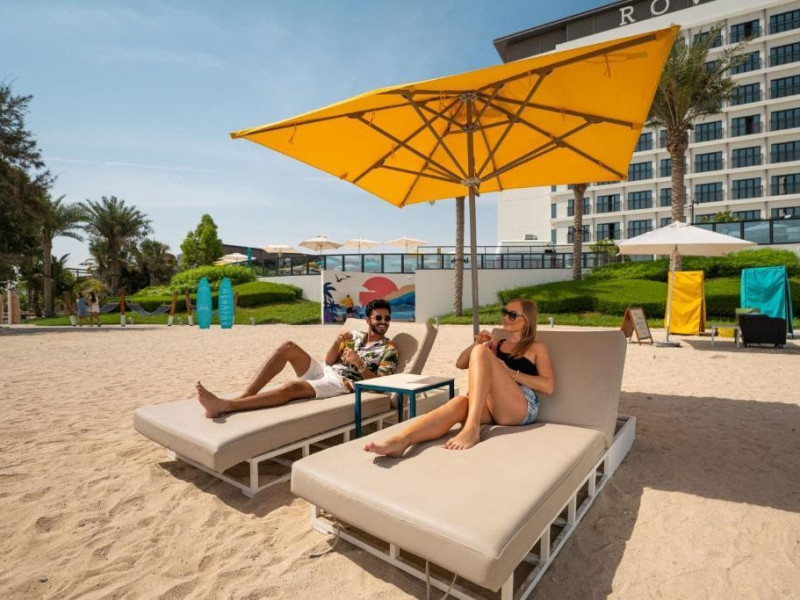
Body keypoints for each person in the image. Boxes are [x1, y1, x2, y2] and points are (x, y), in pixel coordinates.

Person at [365, 298, 554, 455]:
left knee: (481, 352)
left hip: (521, 407)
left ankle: (471, 428)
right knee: (459, 403)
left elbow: (548, 386)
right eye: (504, 312)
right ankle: (401, 441)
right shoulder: (495, 344)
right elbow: (460, 363)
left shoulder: (536, 347)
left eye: (512, 314)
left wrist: (509, 372)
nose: (505, 317)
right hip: (491, 408)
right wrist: (477, 344)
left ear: (526, 320)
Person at [196, 298, 398, 418]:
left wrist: (359, 363)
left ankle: (225, 406)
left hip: (342, 383)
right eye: (379, 317)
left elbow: (381, 385)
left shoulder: (389, 349)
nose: (384, 322)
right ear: (368, 320)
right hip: (326, 370)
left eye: (387, 318)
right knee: (288, 347)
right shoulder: (355, 336)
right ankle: (247, 394)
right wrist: (336, 343)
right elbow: (329, 361)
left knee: (292, 388)